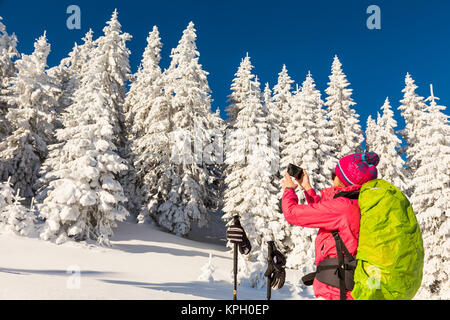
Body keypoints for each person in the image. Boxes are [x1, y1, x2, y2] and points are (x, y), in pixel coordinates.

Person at [281, 152, 380, 300]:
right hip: (348, 286)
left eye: (336, 173)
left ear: (342, 179)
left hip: (336, 290)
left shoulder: (342, 207)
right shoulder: (356, 204)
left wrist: (289, 190)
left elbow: (292, 213)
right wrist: (307, 187)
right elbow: (326, 214)